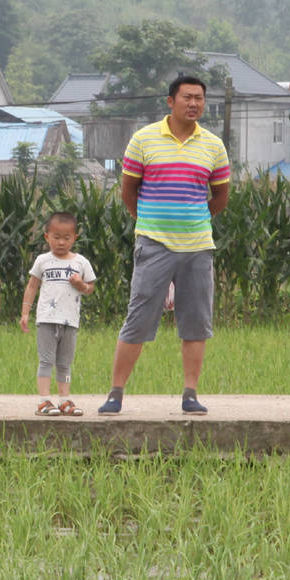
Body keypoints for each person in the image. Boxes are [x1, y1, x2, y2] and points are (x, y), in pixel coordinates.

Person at [98, 75, 230, 416]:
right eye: (187, 97)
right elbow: (129, 190)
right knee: (138, 318)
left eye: (199, 98)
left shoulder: (213, 145)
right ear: (170, 101)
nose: (194, 104)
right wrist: (149, 223)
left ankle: (190, 393)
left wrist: (192, 219)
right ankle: (115, 393)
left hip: (198, 246)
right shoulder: (144, 140)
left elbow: (220, 197)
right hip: (153, 244)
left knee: (196, 321)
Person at [20, 211, 96, 415]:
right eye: (56, 237)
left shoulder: (81, 262)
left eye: (66, 238)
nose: (61, 242)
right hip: (46, 319)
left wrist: (81, 285)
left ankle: (64, 399)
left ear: (74, 238)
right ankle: (44, 401)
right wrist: (25, 312)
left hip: (70, 321)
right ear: (47, 237)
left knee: (64, 363)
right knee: (46, 361)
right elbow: (32, 286)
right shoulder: (42, 260)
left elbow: (90, 288)